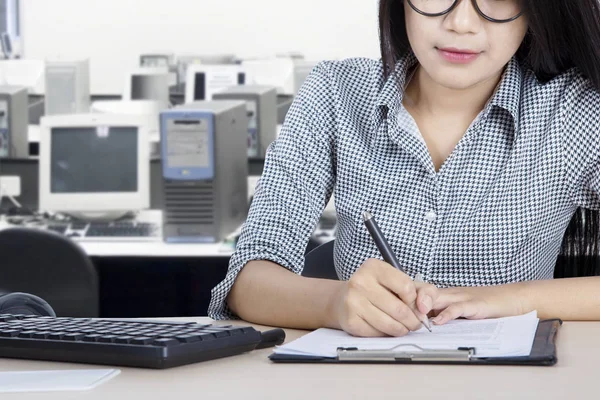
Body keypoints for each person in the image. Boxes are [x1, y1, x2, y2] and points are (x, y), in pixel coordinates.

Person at [208, 0, 600, 337]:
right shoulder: (334, 92)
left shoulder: (572, 113)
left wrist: (512, 298)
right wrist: (337, 302)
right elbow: (247, 280)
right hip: (360, 381)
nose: (461, 23)